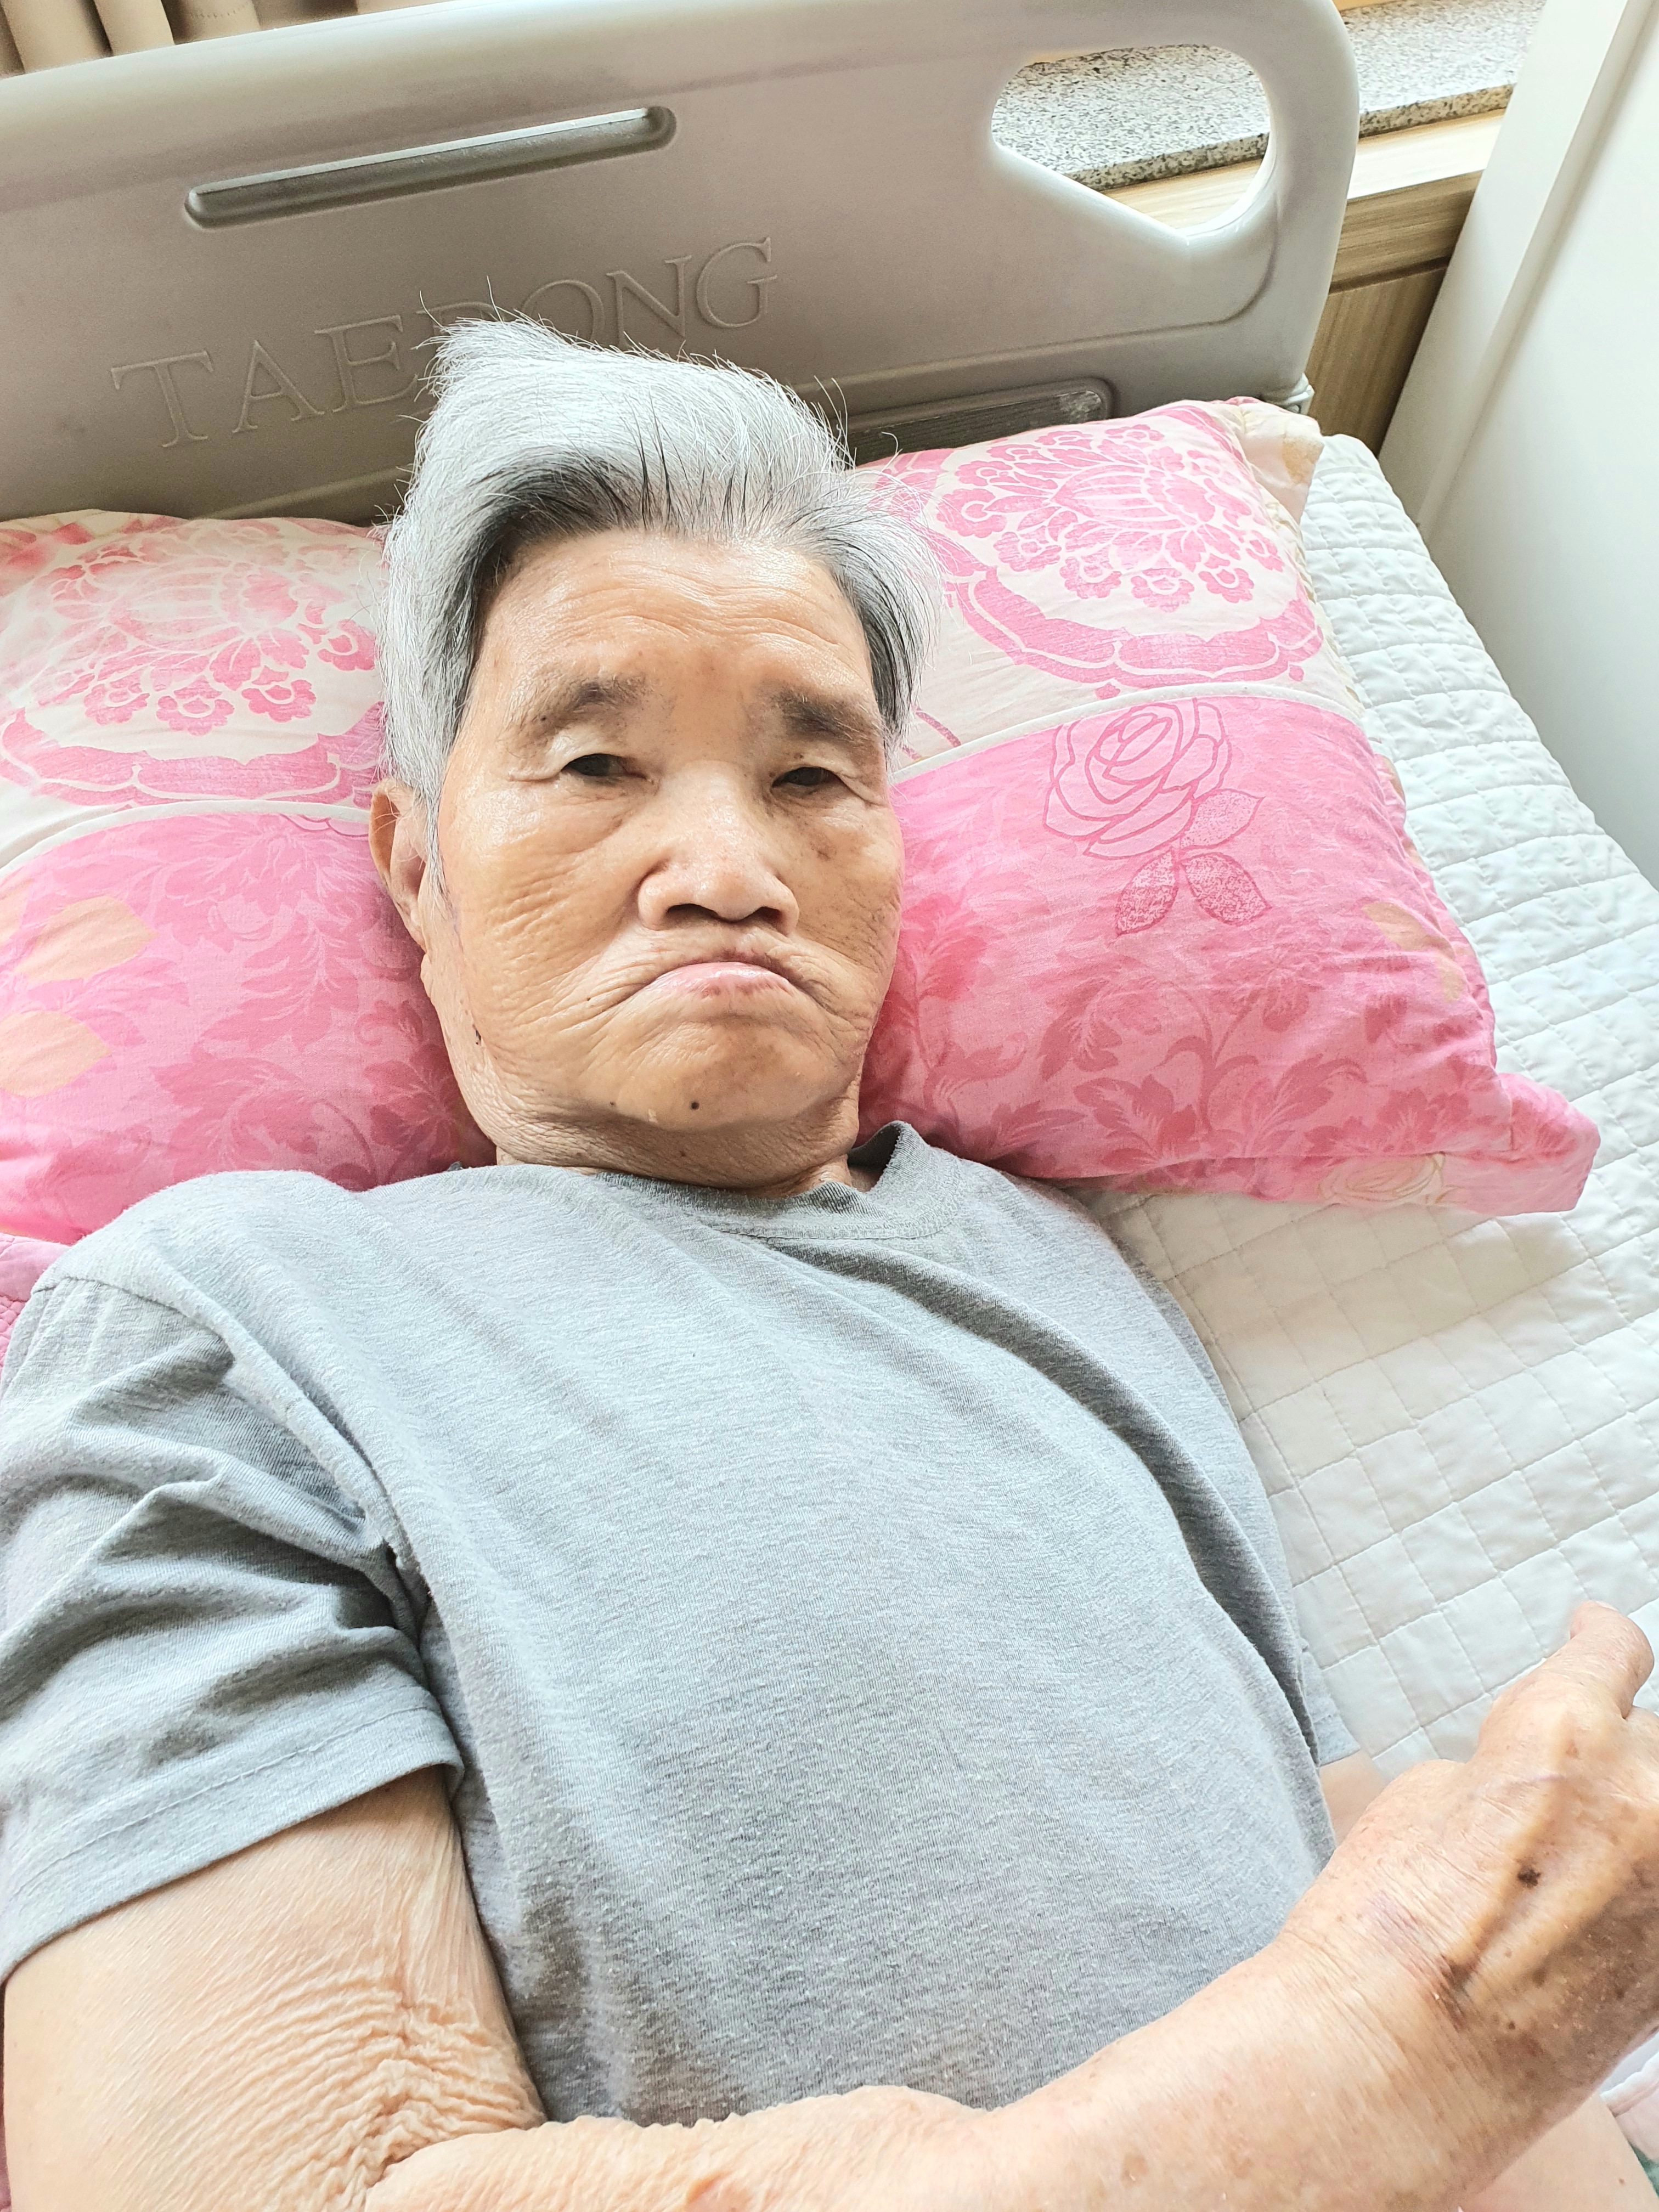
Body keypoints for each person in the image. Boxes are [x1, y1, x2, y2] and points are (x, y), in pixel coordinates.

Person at [1, 321, 1655, 2212]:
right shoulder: (219, 1324)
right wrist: (1403, 2056)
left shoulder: (1065, 1263)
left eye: (812, 778)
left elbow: (1328, 1834)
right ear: (415, 871)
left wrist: (1520, 2000)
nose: (726, 866)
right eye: (596, 760)